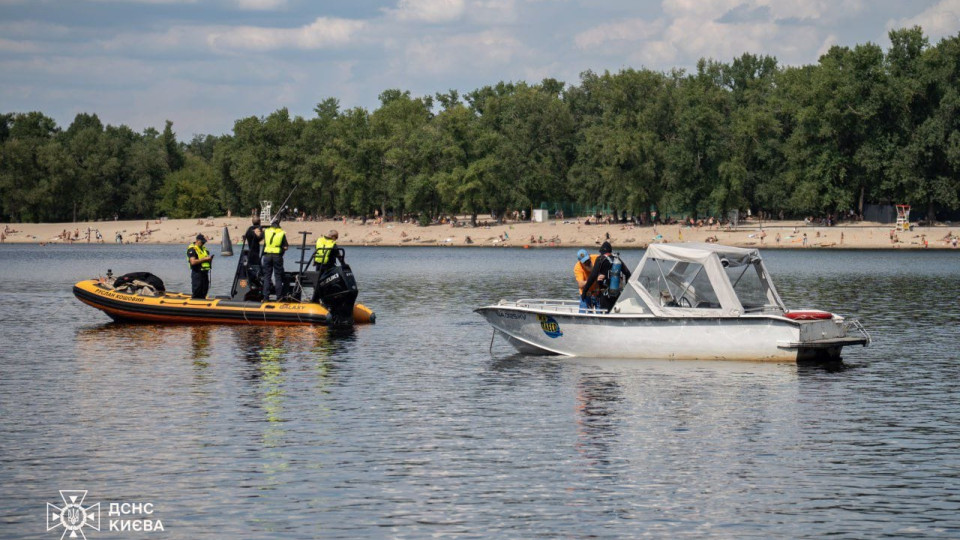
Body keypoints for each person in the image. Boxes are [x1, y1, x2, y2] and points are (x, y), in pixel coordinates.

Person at [581, 241, 632, 312]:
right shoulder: (617, 259)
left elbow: (593, 276)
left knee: (605, 313)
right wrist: (626, 290)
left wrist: (584, 291)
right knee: (614, 312)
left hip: (604, 294)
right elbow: (628, 274)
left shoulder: (600, 259)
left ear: (602, 251)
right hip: (617, 293)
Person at [261, 218, 288, 301]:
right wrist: (282, 249)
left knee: (267, 277)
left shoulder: (266, 231)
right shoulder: (281, 233)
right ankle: (279, 297)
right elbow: (286, 247)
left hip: (267, 255)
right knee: (278, 277)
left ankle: (265, 297)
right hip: (277, 256)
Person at [187, 234, 214, 299]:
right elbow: (193, 262)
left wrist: (210, 259)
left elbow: (206, 261)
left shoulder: (204, 250)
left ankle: (203, 303)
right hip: (197, 273)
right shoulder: (192, 249)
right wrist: (205, 259)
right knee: (197, 292)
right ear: (197, 240)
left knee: (204, 291)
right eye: (202, 241)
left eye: (204, 242)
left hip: (205, 273)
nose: (203, 243)